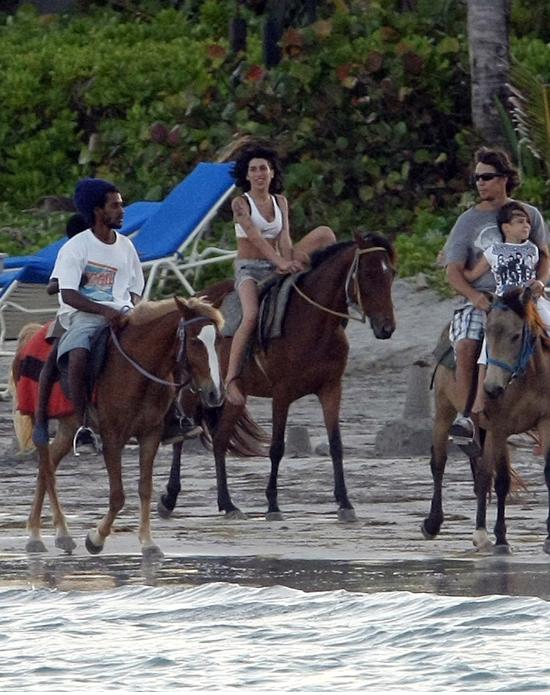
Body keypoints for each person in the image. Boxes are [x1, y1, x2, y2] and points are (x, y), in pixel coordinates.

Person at [443, 147, 549, 454]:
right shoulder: (467, 222)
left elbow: (545, 259)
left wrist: (539, 282)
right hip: (485, 299)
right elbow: (454, 273)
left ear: (504, 178)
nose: (480, 183)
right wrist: (475, 296)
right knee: (466, 344)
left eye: (486, 177)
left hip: (525, 297)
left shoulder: (529, 215)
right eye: (476, 178)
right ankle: (468, 419)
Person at [225, 145, 336, 406]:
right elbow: (255, 236)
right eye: (253, 170)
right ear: (247, 175)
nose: (259, 174)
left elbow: (284, 238)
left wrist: (288, 260)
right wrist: (280, 262)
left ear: (272, 172)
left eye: (263, 168)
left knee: (325, 234)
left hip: (276, 262)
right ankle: (231, 378)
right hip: (249, 268)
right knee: (250, 315)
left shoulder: (280, 201)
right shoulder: (241, 203)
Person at [46, 178, 145, 453]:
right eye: (115, 206)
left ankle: (172, 416)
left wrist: (131, 308)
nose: (122, 211)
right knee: (77, 353)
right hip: (84, 314)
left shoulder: (126, 245)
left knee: (166, 340)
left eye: (121, 205)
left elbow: (137, 285)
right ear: (97, 211)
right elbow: (68, 294)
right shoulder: (76, 248)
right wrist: (105, 310)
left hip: (124, 312)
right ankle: (84, 425)